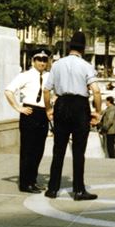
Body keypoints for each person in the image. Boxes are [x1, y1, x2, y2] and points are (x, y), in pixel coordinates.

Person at [43, 31, 102, 201]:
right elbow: (96, 91)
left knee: (58, 149)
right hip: (79, 106)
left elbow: (46, 90)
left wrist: (48, 109)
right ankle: (78, 190)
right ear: (83, 48)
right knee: (78, 150)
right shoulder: (86, 66)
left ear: (70, 46)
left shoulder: (57, 64)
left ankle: (52, 189)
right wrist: (97, 112)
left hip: (62, 104)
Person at [3, 50, 51, 192]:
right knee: (28, 150)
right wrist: (18, 108)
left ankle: (32, 180)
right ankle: (25, 183)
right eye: (39, 59)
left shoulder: (49, 76)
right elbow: (8, 91)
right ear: (33, 61)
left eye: (44, 60)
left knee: (39, 150)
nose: (42, 62)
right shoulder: (25, 76)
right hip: (30, 113)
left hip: (43, 113)